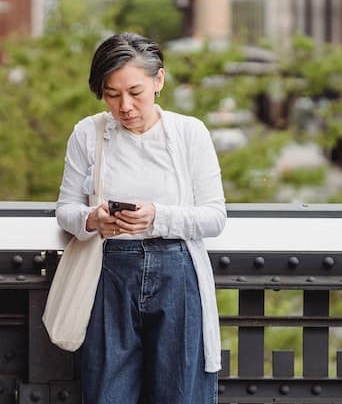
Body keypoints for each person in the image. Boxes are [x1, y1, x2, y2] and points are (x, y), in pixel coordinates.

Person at [56, 32, 227, 404]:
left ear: (159, 80)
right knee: (108, 393)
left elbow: (215, 217)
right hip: (108, 273)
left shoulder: (189, 133)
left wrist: (157, 217)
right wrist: (93, 220)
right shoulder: (88, 133)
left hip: (178, 271)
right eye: (112, 94)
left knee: (180, 391)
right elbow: (65, 209)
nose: (125, 106)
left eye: (136, 92)